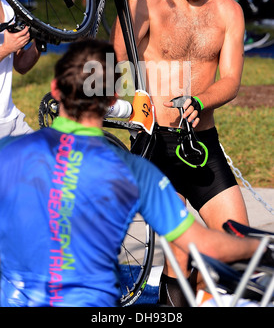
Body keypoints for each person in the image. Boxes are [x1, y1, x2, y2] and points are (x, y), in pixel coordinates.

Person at [0, 37, 266, 307]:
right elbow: (206, 245)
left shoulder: (7, 152)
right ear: (113, 99)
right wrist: (259, 248)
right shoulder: (138, 172)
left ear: (55, 89)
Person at [111, 0, 253, 306]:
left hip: (200, 142)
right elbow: (119, 59)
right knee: (181, 249)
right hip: (155, 142)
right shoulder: (151, 4)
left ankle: (183, 300)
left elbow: (231, 80)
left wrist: (201, 101)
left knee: (238, 244)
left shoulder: (228, 11)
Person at [0, 0, 40, 139]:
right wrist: (6, 48)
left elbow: (21, 65)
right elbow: (9, 50)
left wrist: (40, 43)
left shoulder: (7, 6)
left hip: (10, 119)